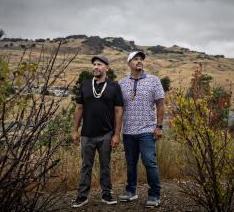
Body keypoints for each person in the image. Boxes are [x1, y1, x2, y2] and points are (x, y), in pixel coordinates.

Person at [71, 56, 124, 208]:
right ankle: (82, 196)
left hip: (106, 134)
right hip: (87, 134)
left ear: (107, 67)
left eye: (99, 64)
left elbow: (119, 110)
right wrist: (75, 130)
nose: (95, 67)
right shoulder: (85, 84)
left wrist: (116, 134)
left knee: (105, 166)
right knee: (85, 166)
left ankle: (106, 194)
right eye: (94, 64)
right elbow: (79, 108)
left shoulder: (114, 86)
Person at [118, 51, 165, 208]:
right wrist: (116, 132)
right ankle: (131, 191)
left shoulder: (153, 81)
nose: (139, 61)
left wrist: (158, 127)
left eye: (141, 59)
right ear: (128, 63)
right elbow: (119, 109)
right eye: (135, 59)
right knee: (131, 163)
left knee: (150, 162)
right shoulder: (122, 83)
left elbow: (160, 105)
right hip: (128, 131)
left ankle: (154, 195)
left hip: (147, 130)